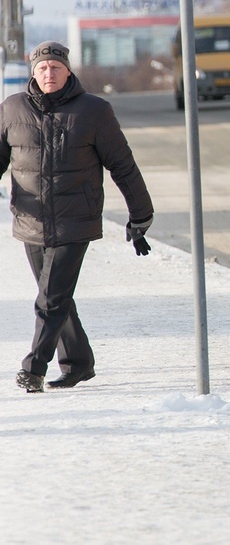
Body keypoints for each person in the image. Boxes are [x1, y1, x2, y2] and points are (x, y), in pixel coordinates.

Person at [1, 41, 154, 394]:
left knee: (50, 298)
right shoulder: (11, 110)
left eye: (55, 67)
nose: (49, 73)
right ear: (33, 73)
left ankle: (33, 368)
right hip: (31, 220)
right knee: (56, 296)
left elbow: (123, 165)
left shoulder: (94, 111)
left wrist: (140, 215)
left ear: (68, 70)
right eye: (42, 68)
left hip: (76, 219)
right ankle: (79, 363)